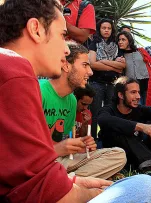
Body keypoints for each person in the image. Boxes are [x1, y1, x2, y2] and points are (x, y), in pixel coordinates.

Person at [0, 1, 151, 202]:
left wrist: (72, 180)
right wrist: (85, 193)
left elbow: (21, 169)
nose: (66, 50)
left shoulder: (15, 72)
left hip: (50, 173)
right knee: (146, 187)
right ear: (36, 30)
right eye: (62, 35)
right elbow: (41, 190)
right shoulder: (15, 73)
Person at [40, 42, 126, 179]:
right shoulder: (39, 90)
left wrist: (79, 146)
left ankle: (67, 181)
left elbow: (61, 140)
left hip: (60, 160)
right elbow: (22, 146)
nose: (90, 72)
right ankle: (70, 181)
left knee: (118, 155)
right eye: (85, 65)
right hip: (37, 160)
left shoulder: (72, 101)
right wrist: (61, 148)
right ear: (66, 65)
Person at [97, 76, 151, 172]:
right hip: (118, 157)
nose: (138, 96)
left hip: (140, 154)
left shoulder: (139, 109)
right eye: (133, 92)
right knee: (121, 130)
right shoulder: (108, 110)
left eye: (138, 92)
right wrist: (140, 126)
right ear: (121, 95)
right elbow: (103, 120)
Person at [88, 19, 126, 138]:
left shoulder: (117, 44)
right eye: (104, 28)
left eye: (109, 28)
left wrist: (103, 62)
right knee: (95, 113)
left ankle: (109, 140)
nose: (106, 30)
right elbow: (92, 64)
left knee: (111, 113)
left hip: (112, 84)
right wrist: (113, 65)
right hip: (96, 83)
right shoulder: (95, 43)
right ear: (99, 29)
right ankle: (93, 141)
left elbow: (122, 67)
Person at [117, 31, 151, 107]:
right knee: (136, 108)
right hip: (131, 86)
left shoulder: (141, 51)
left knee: (149, 107)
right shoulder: (120, 55)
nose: (120, 42)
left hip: (146, 84)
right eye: (119, 40)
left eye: (123, 39)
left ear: (129, 40)